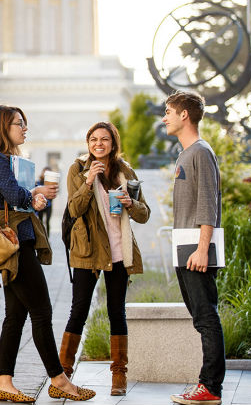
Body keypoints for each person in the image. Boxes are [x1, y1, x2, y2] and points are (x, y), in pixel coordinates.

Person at [0, 104, 95, 403]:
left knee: (15, 316)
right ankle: (59, 381)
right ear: (2, 127)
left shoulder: (6, 160)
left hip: (17, 242)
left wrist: (35, 193)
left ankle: (4, 382)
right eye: (19, 123)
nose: (24, 128)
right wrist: (36, 194)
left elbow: (13, 196)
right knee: (42, 311)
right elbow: (15, 196)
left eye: (24, 123)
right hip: (13, 245)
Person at [58, 122, 151, 396]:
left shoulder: (126, 172)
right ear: (88, 143)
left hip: (120, 251)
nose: (99, 144)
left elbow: (144, 214)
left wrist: (130, 203)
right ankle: (63, 374)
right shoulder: (78, 169)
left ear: (113, 143)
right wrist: (89, 181)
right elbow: (74, 208)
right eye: (94, 139)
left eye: (105, 139)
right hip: (87, 251)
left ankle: (119, 376)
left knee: (116, 312)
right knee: (79, 311)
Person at [164, 91, 225, 405]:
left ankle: (211, 387)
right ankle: (206, 384)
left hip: (195, 250)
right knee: (201, 317)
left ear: (184, 115)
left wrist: (202, 250)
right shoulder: (186, 153)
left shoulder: (200, 152)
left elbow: (207, 204)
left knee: (206, 317)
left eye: (169, 112)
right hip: (184, 248)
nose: (165, 117)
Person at [36, 167, 54, 235]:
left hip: (48, 205)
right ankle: (42, 235)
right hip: (41, 205)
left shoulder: (51, 183)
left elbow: (52, 195)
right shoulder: (39, 182)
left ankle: (48, 237)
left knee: (47, 222)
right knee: (40, 222)